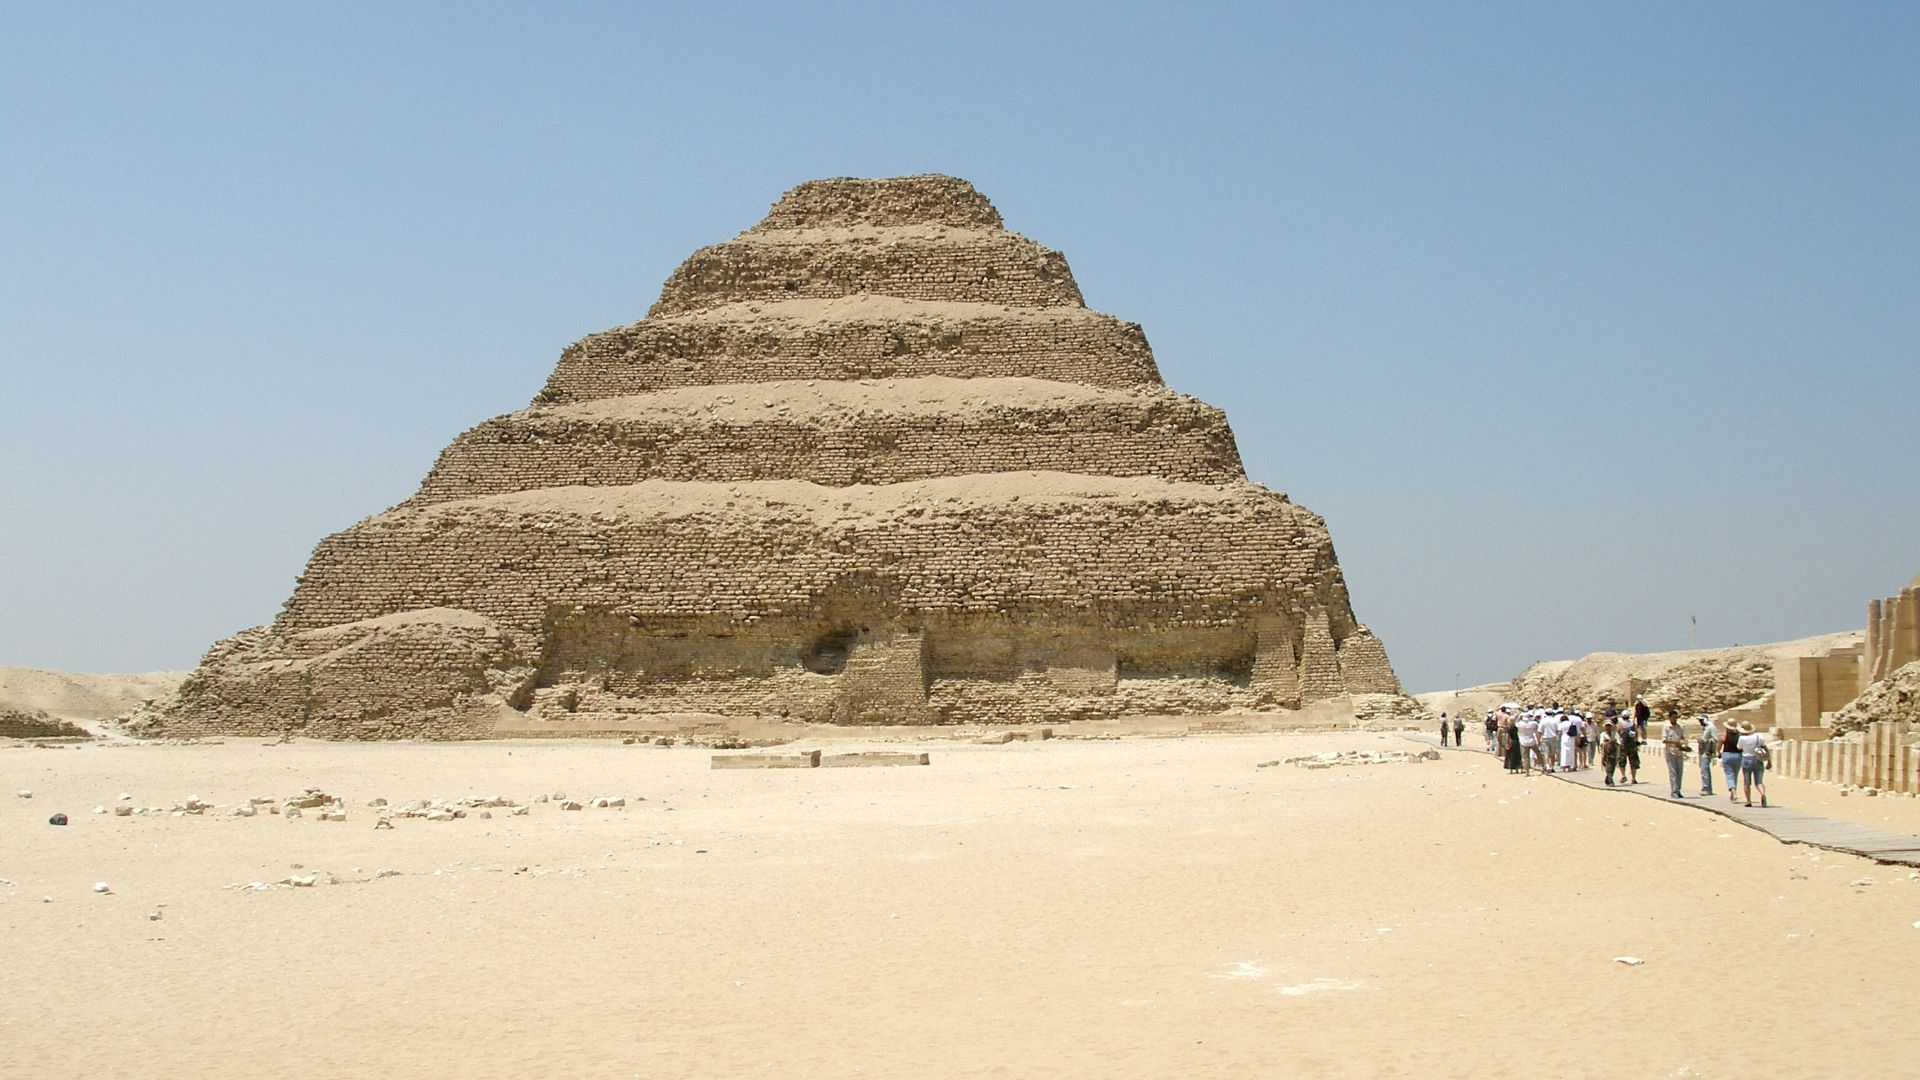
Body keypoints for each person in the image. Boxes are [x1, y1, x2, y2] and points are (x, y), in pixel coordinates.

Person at [1737, 722, 1770, 808]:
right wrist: (1769, 761)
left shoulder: (1742, 738)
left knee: (1747, 782)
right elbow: (1765, 749)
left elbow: (1739, 747)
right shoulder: (1759, 736)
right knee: (1759, 782)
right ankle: (1762, 794)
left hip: (1746, 759)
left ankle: (1748, 801)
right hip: (1758, 759)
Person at [1661, 709, 1688, 798]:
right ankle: (1674, 791)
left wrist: (1684, 743)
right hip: (1670, 752)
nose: (1675, 719)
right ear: (1669, 718)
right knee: (1673, 772)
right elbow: (1664, 740)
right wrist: (1674, 742)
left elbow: (1683, 737)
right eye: (1673, 717)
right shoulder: (1666, 727)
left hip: (1679, 752)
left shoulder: (1679, 727)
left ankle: (1678, 790)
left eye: (1676, 717)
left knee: (1679, 772)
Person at [1719, 720, 1744, 803]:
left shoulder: (1724, 735)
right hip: (1738, 756)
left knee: (1729, 774)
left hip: (1727, 755)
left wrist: (1718, 752)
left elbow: (1719, 744)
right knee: (1735, 774)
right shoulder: (1739, 735)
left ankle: (1733, 791)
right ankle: (1733, 794)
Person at [1695, 715, 1718, 796]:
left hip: (1707, 751)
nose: (1700, 722)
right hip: (1703, 750)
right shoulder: (1706, 727)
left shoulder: (1711, 727)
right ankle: (1706, 787)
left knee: (1705, 769)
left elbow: (1715, 739)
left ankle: (1707, 788)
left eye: (1701, 720)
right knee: (1703, 770)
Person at [1619, 709, 1641, 784]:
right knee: (1633, 762)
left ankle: (1623, 775)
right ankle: (1633, 778)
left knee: (1622, 761)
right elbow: (1636, 733)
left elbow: (1619, 732)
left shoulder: (1620, 724)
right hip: (1632, 745)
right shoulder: (1632, 724)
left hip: (1623, 745)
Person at [1516, 712, 1540, 777]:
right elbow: (1536, 729)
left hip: (1523, 742)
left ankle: (1527, 771)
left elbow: (1515, 722)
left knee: (1526, 757)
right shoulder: (1533, 723)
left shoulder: (1519, 724)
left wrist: (1519, 717)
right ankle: (1544, 767)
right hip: (1532, 741)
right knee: (1538, 754)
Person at [1600, 719, 1621, 786]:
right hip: (1606, 753)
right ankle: (1611, 780)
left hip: (1614, 752)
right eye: (1607, 726)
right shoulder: (1603, 734)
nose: (1608, 727)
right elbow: (1601, 743)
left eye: (1609, 726)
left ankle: (1608, 779)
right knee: (1608, 766)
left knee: (1613, 766)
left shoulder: (1615, 733)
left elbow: (1619, 741)